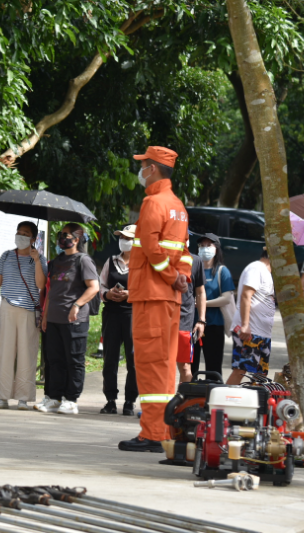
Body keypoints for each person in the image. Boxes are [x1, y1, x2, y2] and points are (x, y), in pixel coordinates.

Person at [118, 146, 191, 453]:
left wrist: (170, 276)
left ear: (153, 169)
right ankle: (162, 430)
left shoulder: (153, 202)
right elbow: (183, 252)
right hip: (170, 299)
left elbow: (150, 247)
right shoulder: (178, 206)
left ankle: (153, 433)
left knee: (149, 364)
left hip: (152, 294)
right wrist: (181, 277)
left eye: (144, 165)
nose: (141, 170)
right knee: (163, 365)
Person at [38, 223, 99, 416]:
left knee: (74, 360)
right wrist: (45, 315)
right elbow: (51, 291)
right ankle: (54, 398)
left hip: (75, 319)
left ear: (77, 238)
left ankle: (71, 399)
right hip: (54, 318)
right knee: (54, 360)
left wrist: (77, 305)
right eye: (60, 234)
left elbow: (94, 287)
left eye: (66, 235)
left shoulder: (83, 260)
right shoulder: (56, 262)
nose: (61, 238)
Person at [0, 221, 47, 410]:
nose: (21, 235)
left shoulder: (39, 258)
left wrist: (37, 260)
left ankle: (23, 397)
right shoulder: (6, 256)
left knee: (26, 353)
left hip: (29, 310)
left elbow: (40, 284)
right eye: (19, 232)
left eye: (26, 233)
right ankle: (2, 397)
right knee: (5, 353)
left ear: (33, 238)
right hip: (7, 307)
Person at [98, 225, 138, 416]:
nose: (124, 240)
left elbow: (149, 289)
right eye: (122, 237)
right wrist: (108, 293)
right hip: (111, 314)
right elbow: (101, 284)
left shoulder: (143, 264)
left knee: (134, 360)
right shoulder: (111, 261)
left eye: (128, 238)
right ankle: (110, 400)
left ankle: (130, 401)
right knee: (110, 358)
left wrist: (129, 294)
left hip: (134, 315)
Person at [227, 249, 275, 385]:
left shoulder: (267, 273)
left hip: (262, 333)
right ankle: (224, 403)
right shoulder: (256, 268)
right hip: (249, 331)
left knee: (260, 374)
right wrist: (245, 325)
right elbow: (246, 296)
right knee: (240, 370)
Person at [193, 233, 234, 378]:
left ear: (216, 249)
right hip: (192, 325)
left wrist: (202, 304)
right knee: (190, 367)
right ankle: (191, 398)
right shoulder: (192, 269)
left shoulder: (222, 271)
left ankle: (211, 397)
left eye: (208, 245)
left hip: (214, 326)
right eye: (201, 246)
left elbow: (226, 298)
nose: (205, 249)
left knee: (214, 368)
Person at [176, 244, 206, 383]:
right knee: (162, 365)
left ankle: (184, 402)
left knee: (185, 368)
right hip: (163, 320)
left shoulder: (195, 261)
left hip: (185, 323)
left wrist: (201, 320)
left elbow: (200, 293)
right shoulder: (161, 258)